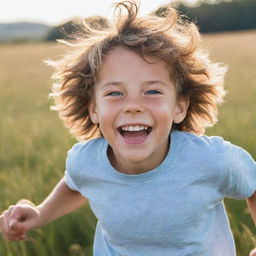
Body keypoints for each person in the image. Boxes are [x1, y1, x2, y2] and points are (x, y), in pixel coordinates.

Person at [0, 1, 255, 255]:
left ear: (179, 107)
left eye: (152, 91)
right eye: (115, 93)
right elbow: (76, 182)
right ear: (94, 109)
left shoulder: (211, 160)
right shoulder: (86, 160)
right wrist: (41, 212)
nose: (133, 106)